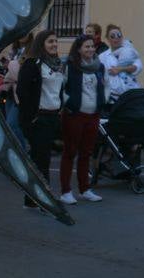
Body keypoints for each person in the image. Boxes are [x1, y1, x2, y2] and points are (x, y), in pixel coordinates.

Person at [15, 30, 65, 210]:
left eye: (56, 41)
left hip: (52, 117)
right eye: (50, 41)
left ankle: (33, 198)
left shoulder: (57, 64)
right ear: (41, 43)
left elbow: (57, 91)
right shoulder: (32, 64)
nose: (54, 44)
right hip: (39, 118)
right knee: (41, 160)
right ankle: (44, 198)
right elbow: (22, 91)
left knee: (40, 159)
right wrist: (32, 117)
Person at [58, 35, 106, 205]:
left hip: (93, 116)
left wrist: (102, 102)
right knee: (70, 152)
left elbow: (104, 86)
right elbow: (60, 86)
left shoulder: (100, 67)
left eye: (92, 46)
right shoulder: (70, 66)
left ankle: (85, 189)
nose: (90, 49)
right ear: (78, 49)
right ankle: (65, 191)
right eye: (86, 47)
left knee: (86, 153)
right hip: (74, 115)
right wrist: (68, 103)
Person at [101, 24, 143, 105]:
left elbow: (137, 67)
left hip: (132, 95)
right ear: (107, 39)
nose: (116, 38)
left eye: (119, 36)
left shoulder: (130, 52)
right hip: (113, 97)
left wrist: (120, 69)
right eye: (112, 36)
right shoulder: (102, 57)